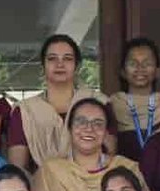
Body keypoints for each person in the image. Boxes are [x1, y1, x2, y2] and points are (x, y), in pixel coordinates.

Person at [35, 97, 156, 191]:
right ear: (69, 128)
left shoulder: (127, 168)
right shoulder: (51, 172)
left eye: (98, 124)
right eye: (81, 122)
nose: (89, 129)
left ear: (105, 132)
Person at [7, 34, 109, 171]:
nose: (59, 64)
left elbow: (109, 158)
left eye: (67, 58)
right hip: (40, 183)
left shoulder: (100, 103)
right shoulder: (25, 111)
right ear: (43, 65)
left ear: (77, 66)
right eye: (52, 58)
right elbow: (17, 168)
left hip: (93, 182)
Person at [110, 37, 160, 163]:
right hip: (123, 172)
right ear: (123, 71)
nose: (140, 68)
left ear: (157, 71)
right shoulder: (111, 105)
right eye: (133, 64)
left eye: (147, 64)